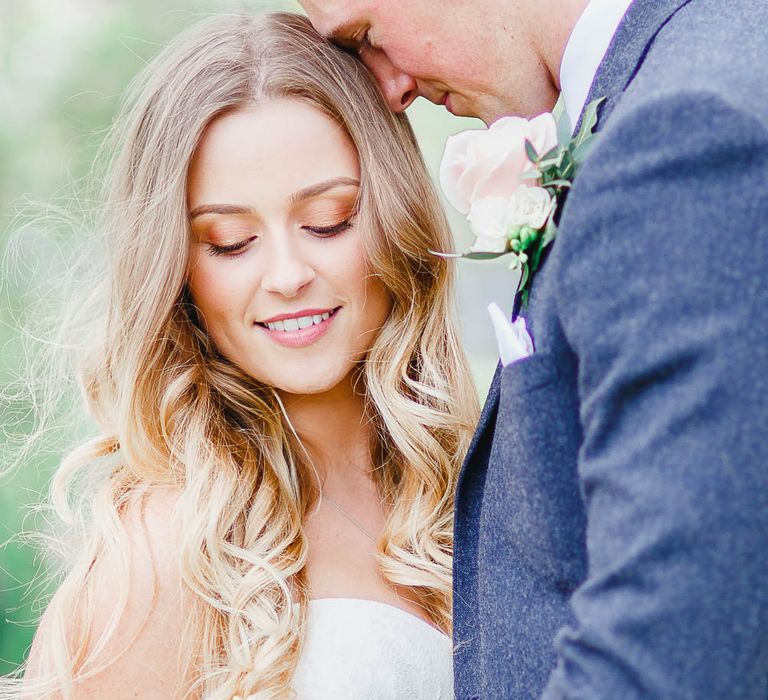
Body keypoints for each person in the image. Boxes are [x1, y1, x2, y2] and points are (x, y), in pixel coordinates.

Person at [299, 0, 768, 698]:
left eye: (367, 37)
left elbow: (668, 645)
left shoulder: (684, 134)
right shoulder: (691, 69)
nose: (389, 90)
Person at [8, 12, 479, 699]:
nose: (286, 274)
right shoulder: (164, 551)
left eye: (328, 221)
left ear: (396, 215)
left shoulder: (472, 487)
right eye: (230, 240)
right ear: (178, 272)